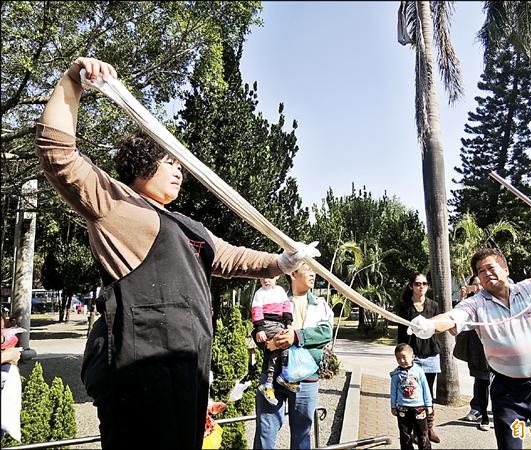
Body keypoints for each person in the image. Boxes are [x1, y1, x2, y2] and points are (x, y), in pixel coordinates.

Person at [36, 57, 316, 449]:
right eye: (169, 161)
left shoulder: (187, 224)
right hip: (137, 368)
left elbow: (228, 257)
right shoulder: (118, 206)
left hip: (185, 365)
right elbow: (57, 152)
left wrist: (281, 262)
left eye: (180, 164)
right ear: (141, 165)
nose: (179, 171)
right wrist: (72, 80)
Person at [410, 248, 531, 450]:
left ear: (506, 269)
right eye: (480, 271)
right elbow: (453, 317)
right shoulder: (476, 304)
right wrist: (429, 325)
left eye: (490, 267)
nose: (486, 274)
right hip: (507, 393)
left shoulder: (529, 288)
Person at [253, 263, 334, 449]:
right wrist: (268, 344)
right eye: (308, 271)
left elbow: (325, 333)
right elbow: (257, 329)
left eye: (315, 271)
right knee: (265, 430)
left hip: (306, 378)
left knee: (302, 433)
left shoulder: (320, 304)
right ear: (293, 273)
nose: (313, 275)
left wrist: (296, 336)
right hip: (273, 376)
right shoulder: (274, 296)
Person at [397, 272, 441, 443]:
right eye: (417, 283)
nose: (421, 286)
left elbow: (438, 328)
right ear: (411, 286)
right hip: (412, 357)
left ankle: (429, 428)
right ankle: (416, 430)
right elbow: (401, 334)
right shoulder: (405, 307)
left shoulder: (434, 306)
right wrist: (402, 354)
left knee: (428, 393)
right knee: (412, 395)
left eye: (424, 283)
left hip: (430, 354)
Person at [251, 275, 298, 406]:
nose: (265, 280)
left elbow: (286, 308)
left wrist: (288, 323)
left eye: (269, 277)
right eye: (262, 278)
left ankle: (269, 384)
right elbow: (256, 311)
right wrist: (259, 328)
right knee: (283, 342)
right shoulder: (259, 293)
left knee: (277, 352)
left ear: (277, 277)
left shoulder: (280, 291)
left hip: (280, 324)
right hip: (267, 324)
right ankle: (283, 376)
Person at [453, 275, 491, 431]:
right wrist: (462, 297)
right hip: (477, 347)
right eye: (475, 285)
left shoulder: (493, 300)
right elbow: (458, 317)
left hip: (495, 346)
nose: (478, 288)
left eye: (481, 285)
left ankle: (498, 412)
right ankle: (482, 414)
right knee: (481, 379)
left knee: (497, 381)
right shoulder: (468, 304)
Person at [390, 343, 433, 450]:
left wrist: (428, 405)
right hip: (402, 408)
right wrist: (393, 406)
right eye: (398, 358)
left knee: (422, 434)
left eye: (404, 357)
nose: (402, 361)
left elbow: (425, 388)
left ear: (412, 356)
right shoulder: (396, 375)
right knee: (405, 435)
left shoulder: (419, 371)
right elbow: (393, 391)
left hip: (419, 408)